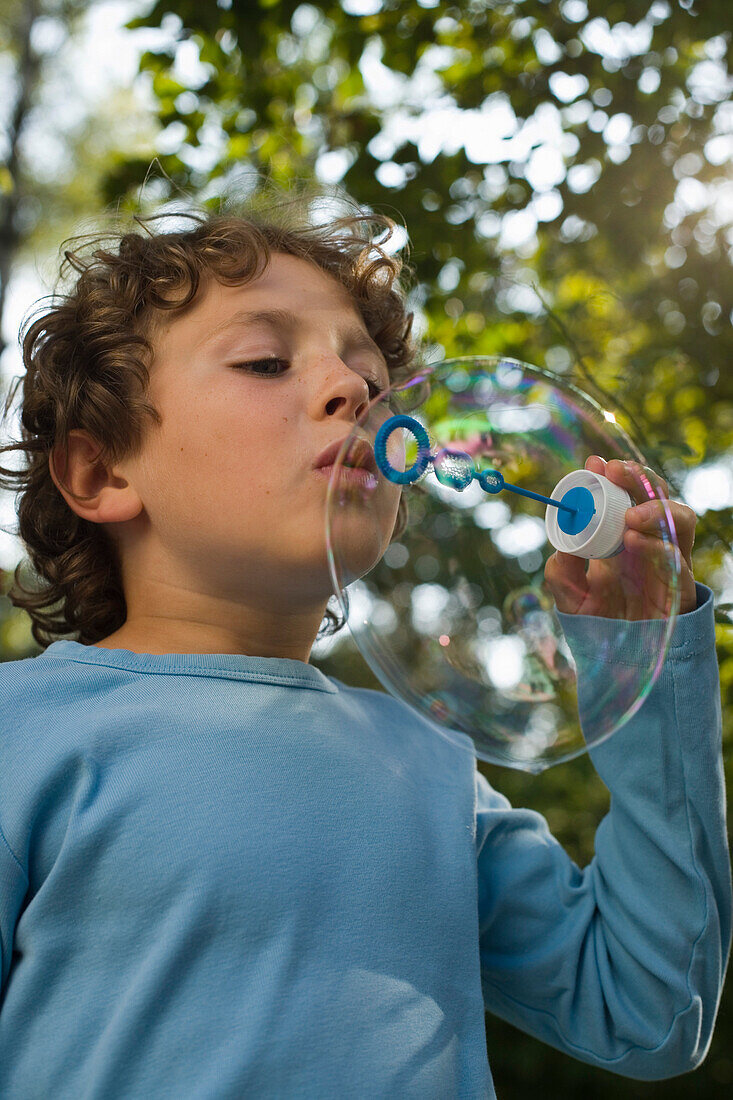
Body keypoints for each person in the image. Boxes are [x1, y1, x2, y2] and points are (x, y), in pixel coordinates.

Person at [0, 189, 729, 1099]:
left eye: (376, 384)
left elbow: (647, 1007)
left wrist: (642, 652)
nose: (353, 391)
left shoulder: (425, 766)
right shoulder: (19, 735)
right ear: (102, 470)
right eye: (266, 361)